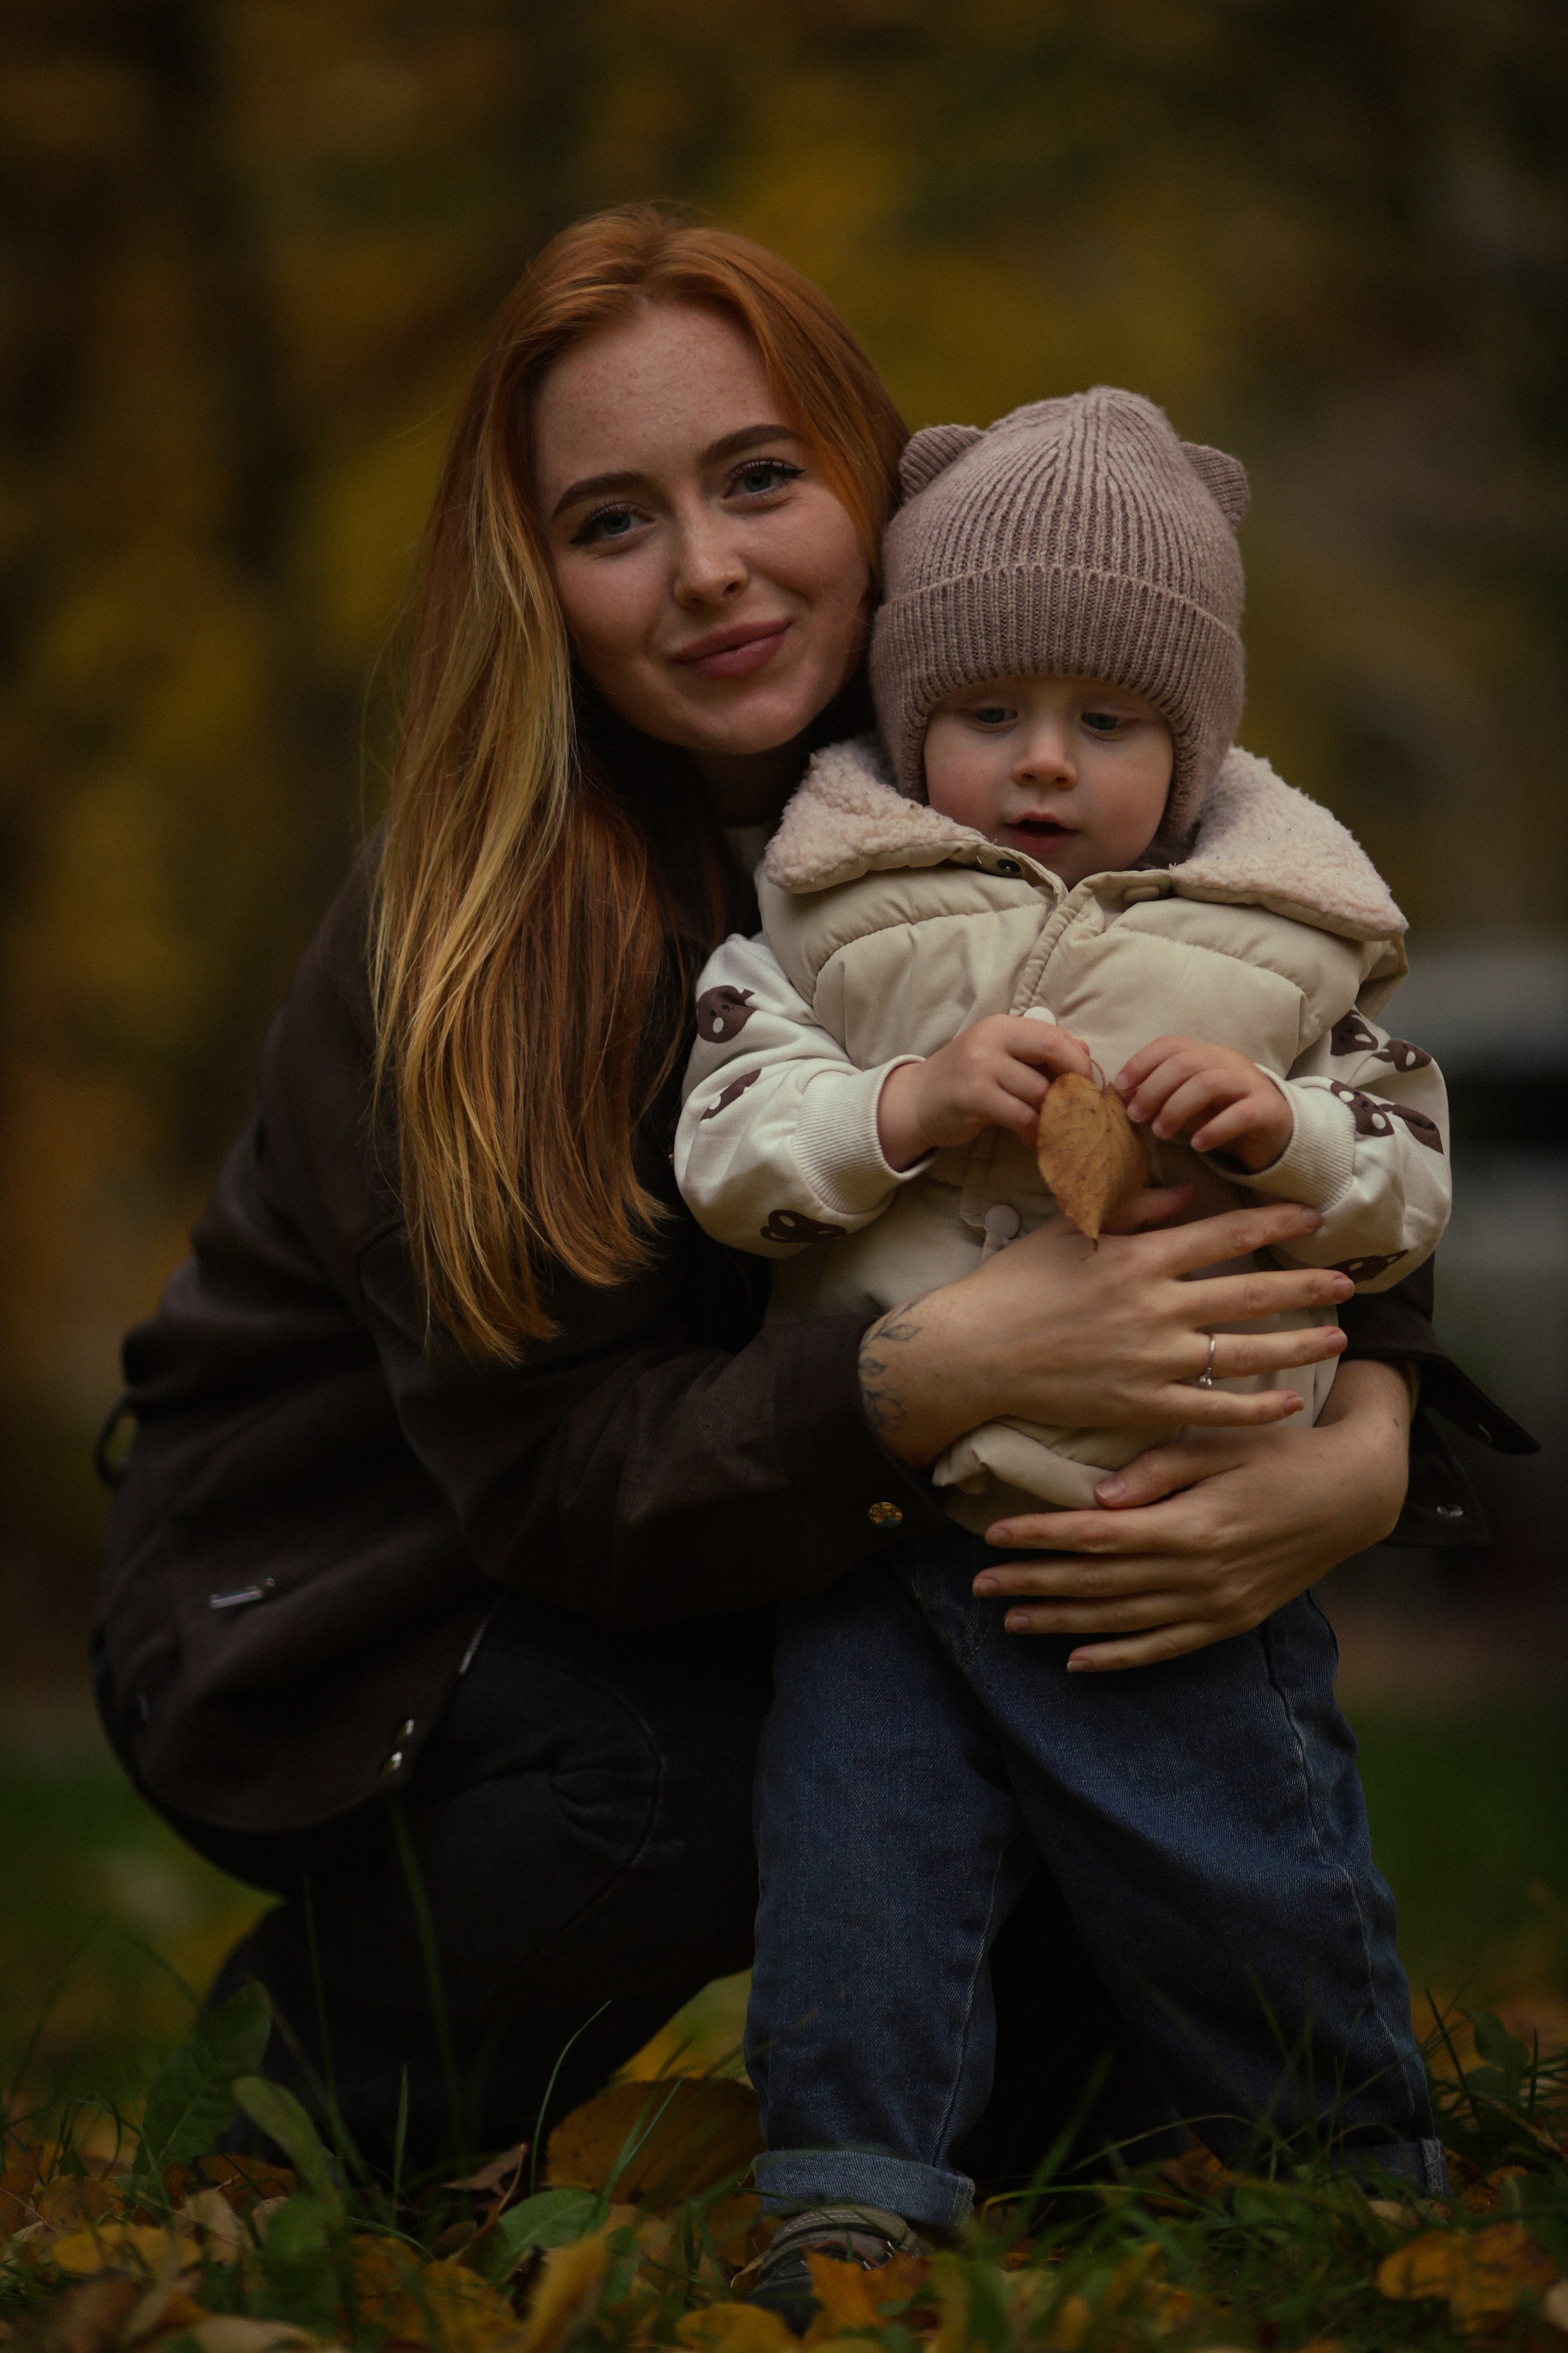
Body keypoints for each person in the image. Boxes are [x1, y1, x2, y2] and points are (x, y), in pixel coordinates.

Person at [92, 208, 1518, 2178]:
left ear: (877, 484)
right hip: (381, 1587)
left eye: (760, 478)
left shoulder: (1009, 766)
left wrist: (1362, 1443)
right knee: (710, 1764)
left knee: (1113, 2083)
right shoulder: (466, 925)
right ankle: (302, 2086)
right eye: (613, 523)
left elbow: (1284, 1070)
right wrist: (930, 1371)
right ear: (542, 582)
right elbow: (552, 1481)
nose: (709, 572)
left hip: (787, 1515)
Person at [674, 389, 1453, 2316]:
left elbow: (1410, 1166)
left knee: (1242, 1860)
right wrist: (905, 1106)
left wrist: (1287, 1132)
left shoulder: (1282, 939)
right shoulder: (825, 912)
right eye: (989, 711)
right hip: (883, 1523)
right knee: (859, 1876)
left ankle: (1352, 2172)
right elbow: (727, 1142)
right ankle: (849, 2199)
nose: (1042, 765)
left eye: (1107, 723)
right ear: (911, 708)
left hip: (1176, 1514)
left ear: (1189, 747)